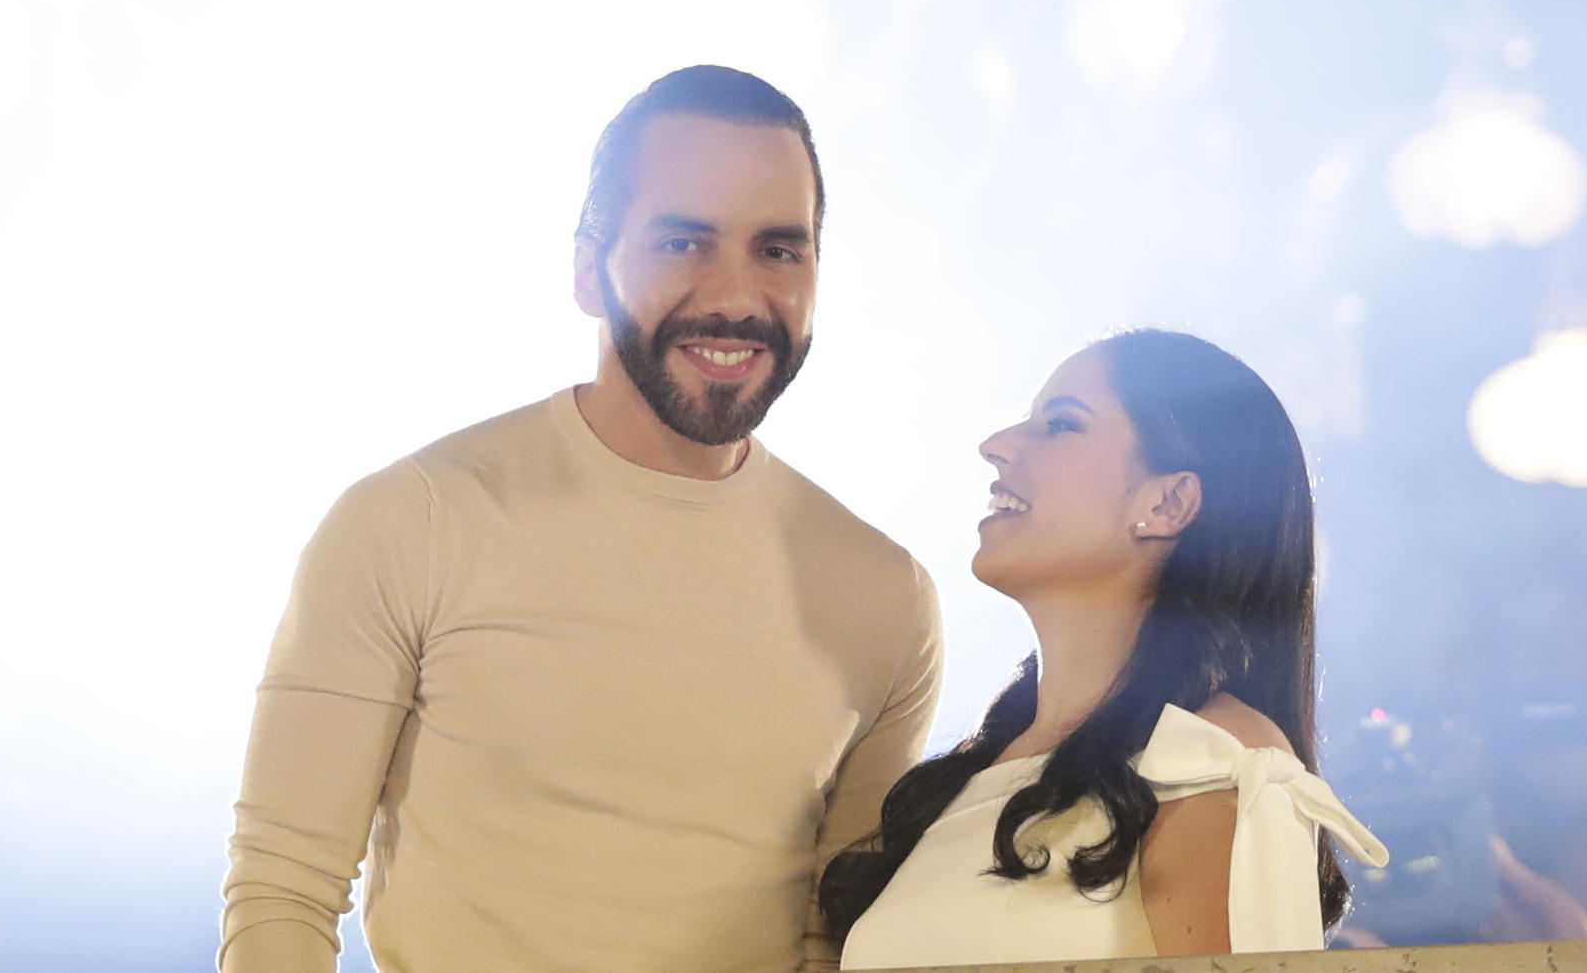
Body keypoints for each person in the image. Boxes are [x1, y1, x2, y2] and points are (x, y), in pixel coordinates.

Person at [219, 65, 942, 973]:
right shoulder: (415, 521)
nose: (734, 294)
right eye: (684, 241)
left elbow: (832, 944)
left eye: (779, 250)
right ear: (587, 270)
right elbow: (283, 888)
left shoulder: (885, 596)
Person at [820, 330, 1388, 967]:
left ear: (1168, 502)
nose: (997, 445)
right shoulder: (964, 778)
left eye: (1061, 424)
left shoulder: (1214, 761)